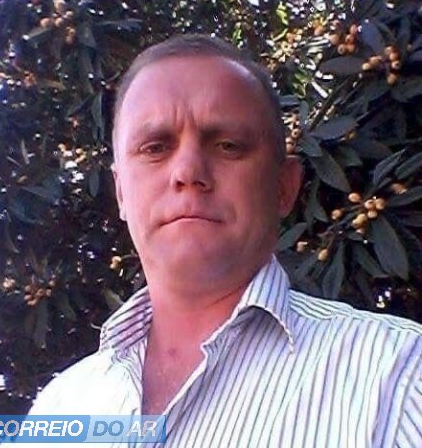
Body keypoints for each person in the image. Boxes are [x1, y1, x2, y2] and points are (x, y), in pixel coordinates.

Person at [25, 35, 421, 447]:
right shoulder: (60, 407)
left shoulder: (398, 379)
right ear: (121, 192)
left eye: (228, 146)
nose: (188, 171)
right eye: (155, 147)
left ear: (284, 186)